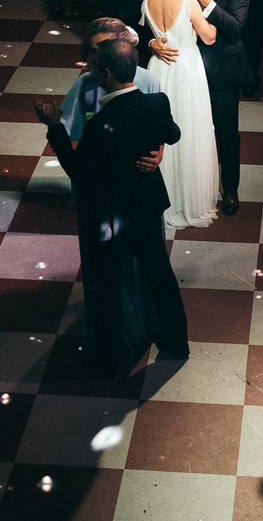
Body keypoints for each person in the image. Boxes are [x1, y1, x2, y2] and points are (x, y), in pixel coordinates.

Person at [36, 38, 190, 374]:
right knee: (161, 276)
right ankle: (177, 343)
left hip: (110, 217)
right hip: (147, 208)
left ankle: (106, 356)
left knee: (106, 285)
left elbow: (78, 170)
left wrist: (54, 128)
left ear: (105, 73)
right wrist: (156, 150)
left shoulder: (99, 125)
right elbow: (174, 134)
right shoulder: (157, 103)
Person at [60, 18, 163, 356]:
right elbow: (74, 135)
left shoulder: (148, 81)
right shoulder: (85, 85)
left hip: (136, 188)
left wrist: (157, 153)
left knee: (141, 262)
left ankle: (145, 323)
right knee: (102, 268)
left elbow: (160, 127)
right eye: (92, 51)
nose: (96, 59)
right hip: (98, 192)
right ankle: (112, 334)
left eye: (102, 50)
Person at [150, 0, 253, 216]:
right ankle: (187, 188)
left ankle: (229, 189)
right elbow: (159, 16)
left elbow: (235, 27)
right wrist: (152, 41)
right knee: (187, 132)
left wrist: (207, 4)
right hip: (185, 74)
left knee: (226, 134)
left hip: (223, 71)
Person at [140, 0, 220, 228]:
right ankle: (187, 200)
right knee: (187, 130)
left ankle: (163, 198)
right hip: (186, 70)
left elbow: (148, 32)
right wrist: (207, 2)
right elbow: (209, 37)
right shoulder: (189, 2)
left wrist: (152, 44)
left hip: (160, 69)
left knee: (158, 131)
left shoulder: (148, 0)